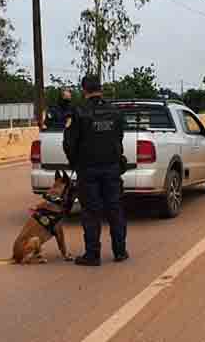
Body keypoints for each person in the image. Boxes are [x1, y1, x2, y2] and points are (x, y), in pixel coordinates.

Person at [63, 75, 128, 266]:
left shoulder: (79, 112)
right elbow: (119, 137)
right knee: (115, 209)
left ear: (84, 90)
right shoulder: (115, 111)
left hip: (88, 169)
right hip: (111, 168)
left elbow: (69, 143)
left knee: (91, 212)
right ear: (100, 89)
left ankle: (92, 255)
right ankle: (120, 251)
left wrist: (74, 162)